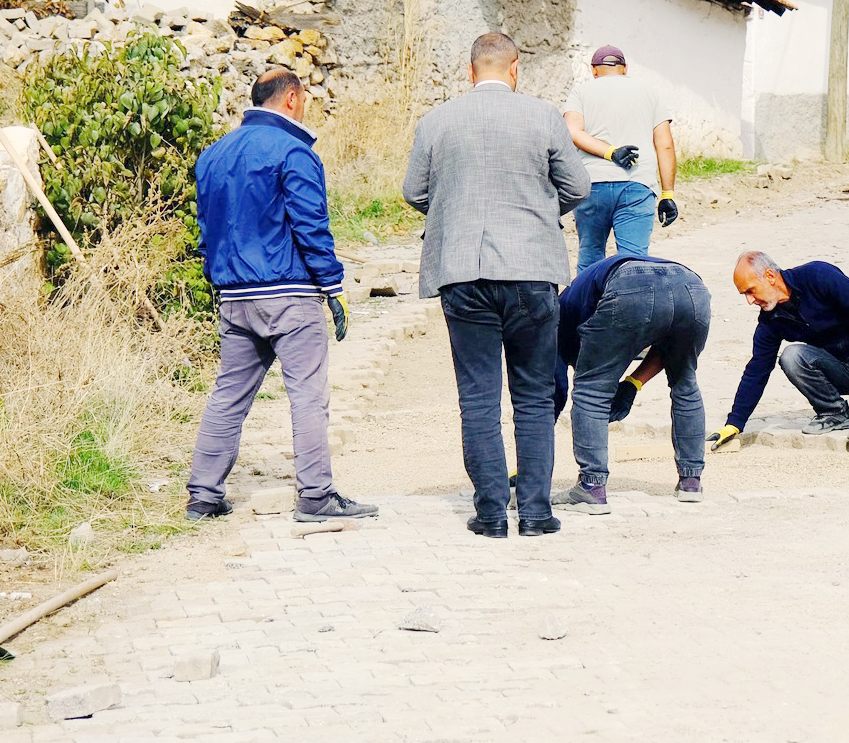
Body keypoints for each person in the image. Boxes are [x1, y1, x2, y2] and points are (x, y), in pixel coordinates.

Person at [404, 31, 589, 539]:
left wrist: (454, 212)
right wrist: (534, 214)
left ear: (470, 72)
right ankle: (534, 513)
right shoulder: (544, 116)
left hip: (462, 272)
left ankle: (489, 514)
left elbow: (413, 190)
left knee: (478, 397)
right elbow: (579, 186)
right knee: (532, 396)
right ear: (514, 70)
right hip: (531, 270)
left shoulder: (436, 120)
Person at [187, 68, 376, 525]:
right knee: (308, 396)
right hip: (289, 295)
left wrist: (221, 281)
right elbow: (311, 226)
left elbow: (206, 231)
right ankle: (315, 497)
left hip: (234, 295)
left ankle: (203, 495)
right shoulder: (294, 152)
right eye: (305, 97)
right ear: (291, 98)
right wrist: (333, 288)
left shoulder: (213, 155)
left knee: (228, 396)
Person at [549, 253, 712, 514]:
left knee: (591, 390)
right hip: (691, 285)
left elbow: (556, 387)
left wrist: (535, 443)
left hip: (629, 285)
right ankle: (691, 482)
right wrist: (632, 384)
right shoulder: (579, 297)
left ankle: (591, 487)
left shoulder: (559, 318)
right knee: (684, 380)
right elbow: (667, 351)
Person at [706, 252, 849, 448]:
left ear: (769, 276)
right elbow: (757, 370)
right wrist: (734, 423)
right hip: (838, 372)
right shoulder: (770, 320)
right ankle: (834, 414)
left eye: (750, 290)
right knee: (791, 356)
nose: (749, 300)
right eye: (744, 294)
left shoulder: (818, 276)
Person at [564, 45, 678, 270]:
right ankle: (628, 304)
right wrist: (667, 194)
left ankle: (588, 306)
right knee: (633, 262)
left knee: (590, 257)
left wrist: (610, 152)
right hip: (637, 186)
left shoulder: (581, 92)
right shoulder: (650, 93)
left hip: (592, 185)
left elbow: (573, 132)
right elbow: (665, 145)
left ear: (594, 70)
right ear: (624, 69)